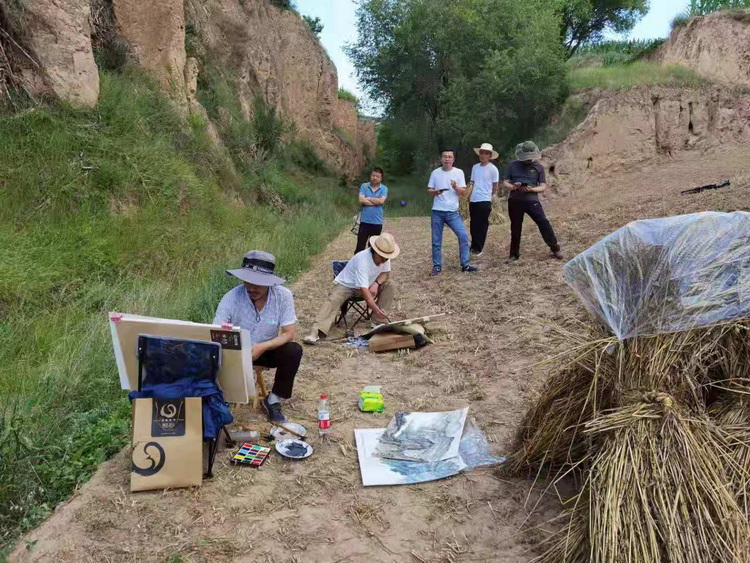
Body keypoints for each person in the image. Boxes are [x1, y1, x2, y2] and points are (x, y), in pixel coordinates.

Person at [213, 250, 302, 423]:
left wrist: (263, 347)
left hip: (266, 350)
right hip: (236, 353)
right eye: (248, 282)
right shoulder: (232, 297)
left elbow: (288, 333)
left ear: (269, 282)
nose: (252, 288)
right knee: (210, 353)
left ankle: (273, 400)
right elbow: (216, 332)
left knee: (293, 350)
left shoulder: (283, 296)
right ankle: (221, 398)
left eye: (258, 284)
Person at [303, 232, 399, 344]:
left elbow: (386, 273)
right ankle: (316, 331)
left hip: (369, 284)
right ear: (375, 251)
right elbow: (364, 291)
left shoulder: (385, 257)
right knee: (333, 299)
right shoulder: (362, 260)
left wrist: (377, 283)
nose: (385, 260)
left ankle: (378, 321)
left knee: (390, 284)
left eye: (387, 258)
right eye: (382, 257)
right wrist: (375, 308)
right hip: (347, 285)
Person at [502, 141, 563, 263]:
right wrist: (513, 187)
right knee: (515, 227)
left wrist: (532, 189)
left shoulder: (539, 167)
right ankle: (514, 254)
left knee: (543, 222)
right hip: (515, 200)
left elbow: (543, 186)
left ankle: (555, 248)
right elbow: (505, 183)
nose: (529, 160)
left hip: (532, 200)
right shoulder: (512, 165)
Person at [427, 149, 477, 276]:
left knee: (463, 236)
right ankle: (437, 266)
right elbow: (429, 190)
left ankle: (465, 265)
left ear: (453, 160)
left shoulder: (458, 172)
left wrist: (455, 187)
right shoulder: (435, 173)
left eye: (449, 157)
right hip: (437, 211)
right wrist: (436, 192)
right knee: (436, 240)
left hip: (453, 212)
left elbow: (464, 192)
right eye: (444, 157)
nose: (447, 159)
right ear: (441, 159)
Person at [468, 143, 500, 257]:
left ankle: (478, 247)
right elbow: (472, 183)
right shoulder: (475, 167)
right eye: (481, 152)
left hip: (485, 199)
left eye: (486, 153)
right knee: (473, 224)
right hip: (473, 199)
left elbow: (495, 186)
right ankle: (473, 245)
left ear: (490, 155)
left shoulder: (493, 169)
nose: (483, 155)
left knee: (482, 224)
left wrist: (489, 196)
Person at [355, 167, 388, 254]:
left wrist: (368, 198)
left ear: (381, 178)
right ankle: (357, 266)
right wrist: (376, 202)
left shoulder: (384, 188)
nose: (375, 178)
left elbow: (381, 201)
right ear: (371, 176)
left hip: (377, 222)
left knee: (373, 247)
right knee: (360, 247)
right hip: (364, 221)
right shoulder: (364, 186)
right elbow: (361, 200)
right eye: (373, 175)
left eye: (377, 176)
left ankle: (371, 266)